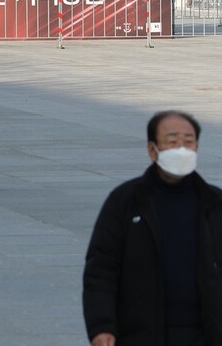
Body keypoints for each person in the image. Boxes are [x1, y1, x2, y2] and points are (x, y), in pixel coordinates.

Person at [83, 111, 222, 346]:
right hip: (142, 334)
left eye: (188, 142)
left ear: (197, 147)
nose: (181, 149)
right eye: (171, 141)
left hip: (205, 334)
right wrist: (102, 326)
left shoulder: (215, 204)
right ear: (152, 150)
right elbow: (102, 268)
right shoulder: (126, 201)